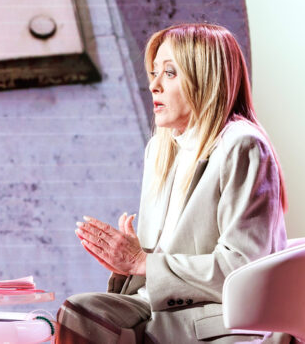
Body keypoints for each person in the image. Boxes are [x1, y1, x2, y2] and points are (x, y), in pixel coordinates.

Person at [55, 23, 289, 343]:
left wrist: (142, 261)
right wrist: (128, 262)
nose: (154, 86)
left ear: (205, 78)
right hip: (157, 309)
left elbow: (243, 268)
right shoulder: (160, 149)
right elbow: (154, 269)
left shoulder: (241, 145)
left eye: (169, 73)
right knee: (79, 310)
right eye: (154, 73)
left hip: (213, 317)